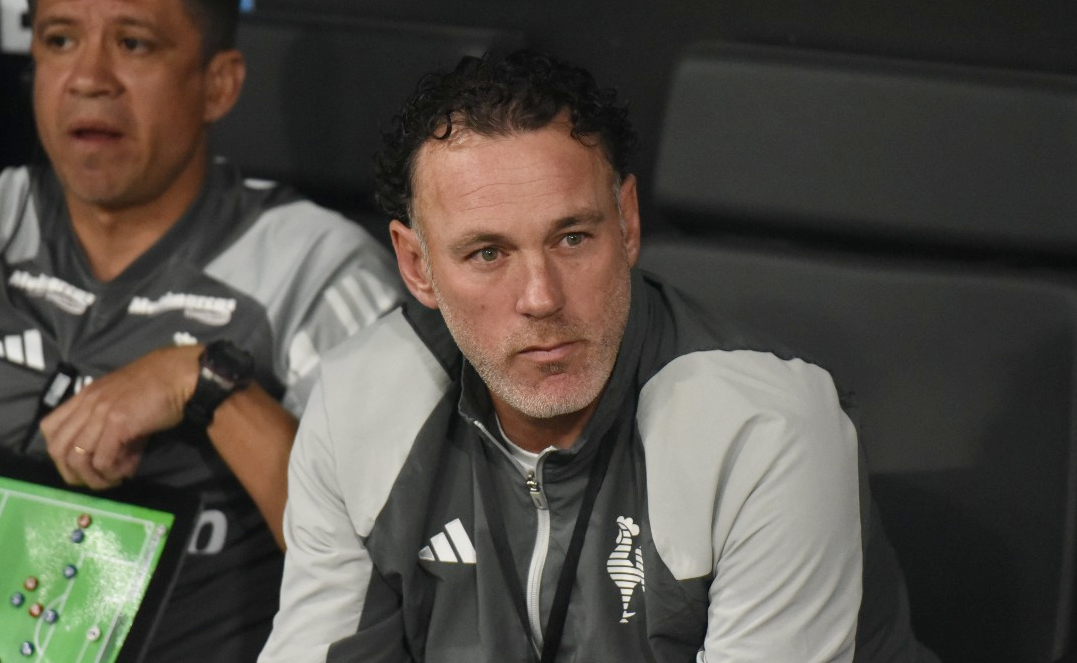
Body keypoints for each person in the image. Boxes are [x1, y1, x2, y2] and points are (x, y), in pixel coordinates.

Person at [260, 50, 937, 662]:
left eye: (573, 237)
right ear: (416, 265)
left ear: (628, 222)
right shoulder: (358, 397)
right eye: (487, 253)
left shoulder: (762, 429)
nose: (540, 296)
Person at [0, 0, 402, 660]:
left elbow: (388, 572)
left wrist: (204, 381)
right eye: (61, 39)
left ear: (219, 84)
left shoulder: (315, 269)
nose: (88, 77)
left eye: (133, 44)